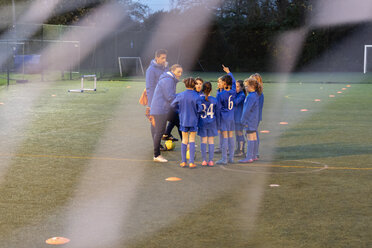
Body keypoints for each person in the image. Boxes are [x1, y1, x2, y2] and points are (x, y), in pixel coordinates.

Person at [150, 64, 183, 162]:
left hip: (166, 109)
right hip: (160, 110)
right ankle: (156, 155)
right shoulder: (168, 80)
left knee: (179, 122)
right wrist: (183, 97)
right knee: (159, 131)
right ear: (172, 71)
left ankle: (187, 144)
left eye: (181, 72)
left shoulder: (170, 79)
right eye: (178, 72)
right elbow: (170, 97)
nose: (180, 74)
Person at [171, 77, 201, 168]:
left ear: (185, 84)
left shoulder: (180, 95)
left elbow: (172, 105)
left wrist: (179, 111)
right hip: (193, 120)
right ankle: (191, 162)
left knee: (184, 140)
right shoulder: (196, 96)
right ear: (194, 85)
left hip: (183, 120)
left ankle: (184, 162)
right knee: (192, 140)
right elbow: (200, 109)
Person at [145, 49, 168, 145]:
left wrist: (166, 68)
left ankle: (163, 137)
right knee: (155, 123)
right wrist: (150, 104)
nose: (164, 60)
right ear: (156, 58)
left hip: (164, 100)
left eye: (165, 58)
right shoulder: (151, 70)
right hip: (155, 101)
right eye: (162, 58)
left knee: (163, 122)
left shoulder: (164, 68)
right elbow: (149, 88)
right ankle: (157, 145)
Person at [239, 77, 263, 163]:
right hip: (254, 120)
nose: (245, 88)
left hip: (249, 120)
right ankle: (253, 156)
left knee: (249, 138)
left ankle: (249, 157)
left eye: (246, 86)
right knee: (253, 137)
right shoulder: (256, 95)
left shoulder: (250, 97)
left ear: (250, 86)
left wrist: (242, 120)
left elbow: (246, 110)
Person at [216, 65, 236, 165]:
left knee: (225, 138)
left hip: (224, 118)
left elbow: (218, 109)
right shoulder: (233, 92)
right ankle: (231, 158)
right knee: (231, 136)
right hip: (232, 117)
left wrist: (218, 123)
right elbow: (234, 82)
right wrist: (229, 72)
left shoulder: (220, 94)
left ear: (224, 83)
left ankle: (224, 159)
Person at [197, 81, 219, 166]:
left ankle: (204, 160)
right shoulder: (214, 100)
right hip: (212, 122)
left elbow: (198, 111)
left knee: (203, 140)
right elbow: (217, 113)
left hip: (202, 122)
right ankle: (211, 160)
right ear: (211, 90)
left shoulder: (199, 99)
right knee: (211, 141)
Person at [252, 73, 264, 159]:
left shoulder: (258, 94)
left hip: (254, 117)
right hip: (255, 117)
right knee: (253, 133)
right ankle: (254, 152)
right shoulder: (257, 94)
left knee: (254, 134)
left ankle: (255, 152)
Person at [234, 80, 246, 157]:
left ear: (242, 87)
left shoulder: (242, 95)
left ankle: (241, 150)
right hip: (235, 117)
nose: (236, 88)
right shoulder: (237, 94)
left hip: (239, 117)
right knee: (236, 133)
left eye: (238, 86)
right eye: (235, 86)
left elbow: (235, 102)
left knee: (239, 133)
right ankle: (238, 148)